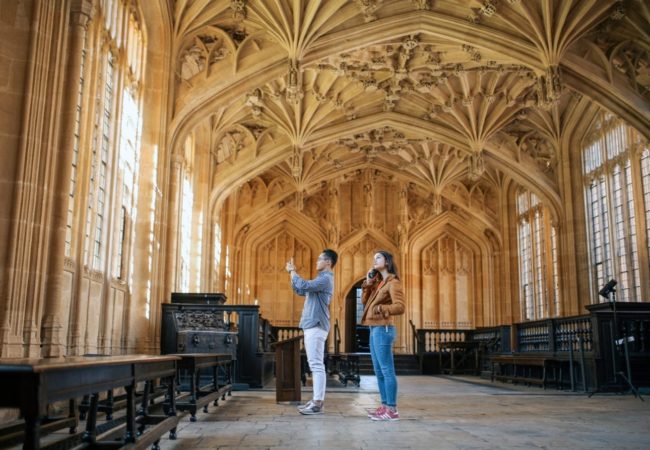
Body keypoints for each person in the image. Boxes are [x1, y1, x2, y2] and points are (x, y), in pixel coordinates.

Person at [285, 248, 338, 415]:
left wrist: (293, 272)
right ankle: (316, 400)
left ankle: (317, 403)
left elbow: (304, 285)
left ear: (328, 262)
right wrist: (292, 275)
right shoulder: (321, 279)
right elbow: (300, 290)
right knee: (314, 364)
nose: (316, 262)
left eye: (319, 259)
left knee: (316, 365)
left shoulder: (326, 279)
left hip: (316, 325)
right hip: (311, 325)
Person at [361, 250, 405, 421]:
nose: (374, 260)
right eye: (373, 258)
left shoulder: (393, 282)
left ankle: (392, 409)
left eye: (378, 257)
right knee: (378, 371)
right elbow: (365, 302)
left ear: (387, 261)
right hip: (374, 328)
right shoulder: (379, 283)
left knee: (387, 370)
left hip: (384, 329)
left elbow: (400, 307)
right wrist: (368, 283)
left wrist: (381, 308)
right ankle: (385, 405)